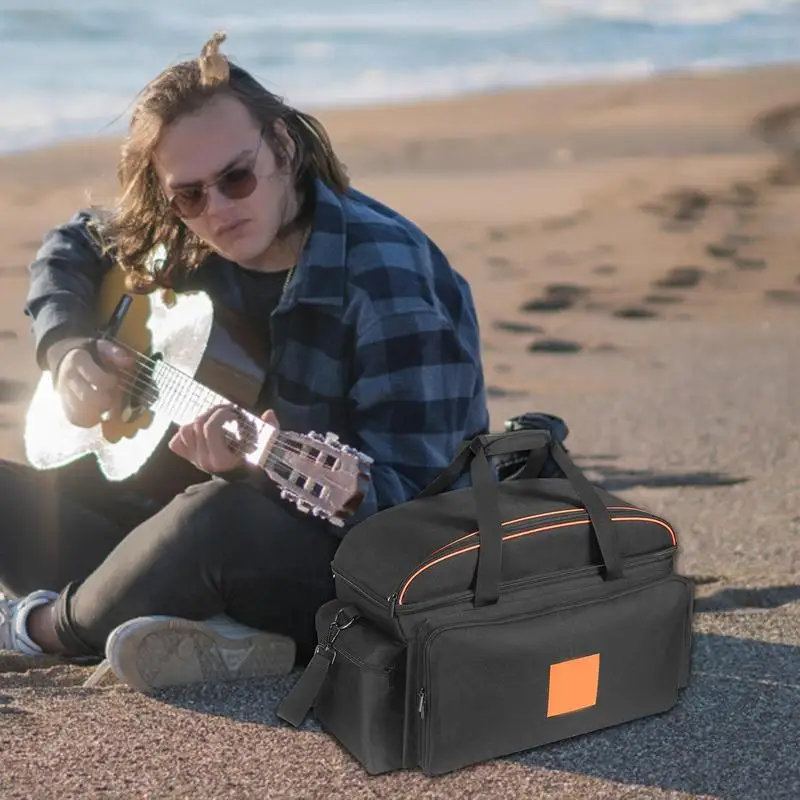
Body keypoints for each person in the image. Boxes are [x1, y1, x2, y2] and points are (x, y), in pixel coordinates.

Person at [0, 33, 489, 692]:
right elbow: (74, 243)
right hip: (163, 527)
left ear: (282, 146)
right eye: (189, 195)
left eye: (236, 177)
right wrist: (67, 350)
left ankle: (41, 630)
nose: (219, 211)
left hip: (348, 581)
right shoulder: (183, 234)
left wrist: (257, 478)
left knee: (214, 518)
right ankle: (191, 621)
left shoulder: (387, 284)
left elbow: (423, 517)